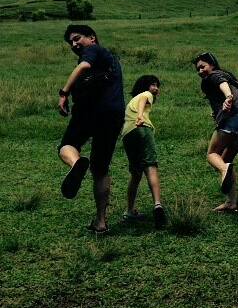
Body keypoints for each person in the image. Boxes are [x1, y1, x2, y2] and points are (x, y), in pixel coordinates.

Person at [57, 24, 125, 234]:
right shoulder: (111, 60)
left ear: (92, 37)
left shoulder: (93, 50)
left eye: (77, 38)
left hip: (89, 113)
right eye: (71, 42)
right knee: (100, 168)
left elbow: (83, 67)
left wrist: (64, 93)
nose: (74, 44)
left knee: (67, 146)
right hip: (113, 115)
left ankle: (76, 163)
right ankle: (101, 222)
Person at [194, 52, 238, 212]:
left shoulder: (214, 75)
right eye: (198, 69)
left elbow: (222, 85)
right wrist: (217, 112)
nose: (200, 71)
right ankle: (231, 202)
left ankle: (224, 170)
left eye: (203, 66)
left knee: (212, 154)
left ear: (212, 65)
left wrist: (228, 97)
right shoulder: (229, 76)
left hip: (234, 119)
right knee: (225, 159)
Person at [121, 75, 167, 228]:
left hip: (127, 135)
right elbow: (143, 99)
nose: (156, 88)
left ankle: (129, 211)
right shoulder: (146, 94)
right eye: (153, 85)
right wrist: (140, 116)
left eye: (157, 86)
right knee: (150, 166)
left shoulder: (130, 103)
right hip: (142, 129)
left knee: (135, 173)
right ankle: (157, 205)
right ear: (144, 86)